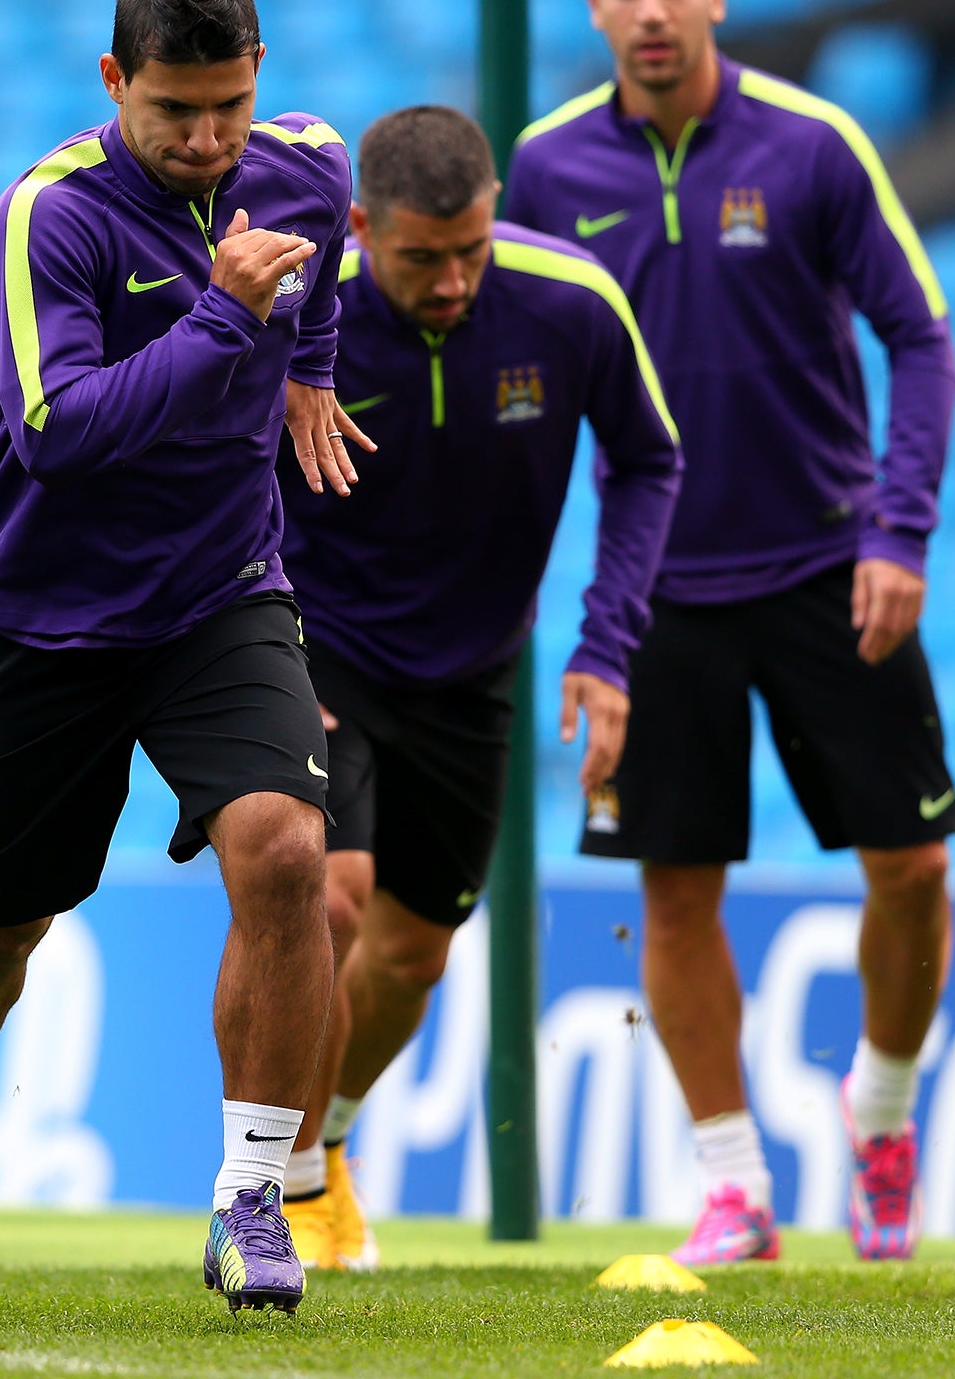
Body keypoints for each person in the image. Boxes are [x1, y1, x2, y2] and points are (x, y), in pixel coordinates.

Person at [0, 0, 367, 1310]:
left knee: (285, 853)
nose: (208, 139)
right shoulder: (51, 216)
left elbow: (319, 262)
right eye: (175, 113)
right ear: (115, 83)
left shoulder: (307, 164)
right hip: (49, 624)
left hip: (223, 594)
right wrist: (229, 321)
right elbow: (60, 434)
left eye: (228, 105)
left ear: (258, 76)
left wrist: (312, 369)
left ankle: (253, 1200)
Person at [504, 0, 955, 1264]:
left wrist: (900, 531)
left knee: (914, 868)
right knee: (675, 892)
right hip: (658, 593)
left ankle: (879, 1113)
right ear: (591, 5)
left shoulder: (814, 147)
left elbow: (924, 339)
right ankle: (734, 1184)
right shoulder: (543, 172)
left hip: (831, 566)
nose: (650, 9)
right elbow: (519, 376)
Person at [273, 106, 681, 1271]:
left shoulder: (568, 300)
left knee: (408, 957)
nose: (452, 280)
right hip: (319, 646)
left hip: (471, 666)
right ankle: (280, 1190)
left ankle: (329, 1144)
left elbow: (648, 459)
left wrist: (606, 644)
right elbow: (216, 474)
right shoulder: (305, 314)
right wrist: (260, 650)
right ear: (361, 227)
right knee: (326, 895)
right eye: (420, 258)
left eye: (471, 249)